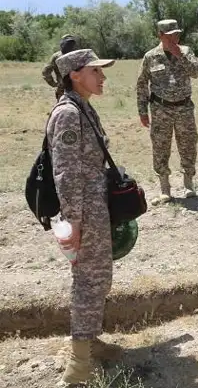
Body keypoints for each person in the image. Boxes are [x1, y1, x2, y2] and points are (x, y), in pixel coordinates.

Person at [47, 49, 123, 385]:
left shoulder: (83, 107)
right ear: (75, 74)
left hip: (94, 206)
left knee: (99, 277)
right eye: (96, 71)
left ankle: (89, 342)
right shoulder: (67, 113)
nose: (102, 77)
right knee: (88, 283)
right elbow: (65, 172)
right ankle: (78, 368)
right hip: (84, 213)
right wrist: (74, 221)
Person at [136, 19, 198, 204]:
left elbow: (196, 72)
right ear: (160, 35)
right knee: (160, 148)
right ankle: (165, 188)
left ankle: (188, 184)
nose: (175, 37)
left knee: (188, 145)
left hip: (184, 108)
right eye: (170, 35)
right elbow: (142, 84)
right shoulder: (151, 56)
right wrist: (142, 111)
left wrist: (180, 56)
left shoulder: (186, 51)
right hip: (160, 110)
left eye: (177, 34)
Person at [42, 34, 79, 100]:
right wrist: (53, 84)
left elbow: (46, 71)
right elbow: (46, 71)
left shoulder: (57, 56)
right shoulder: (77, 55)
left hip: (67, 88)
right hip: (73, 88)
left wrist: (54, 84)